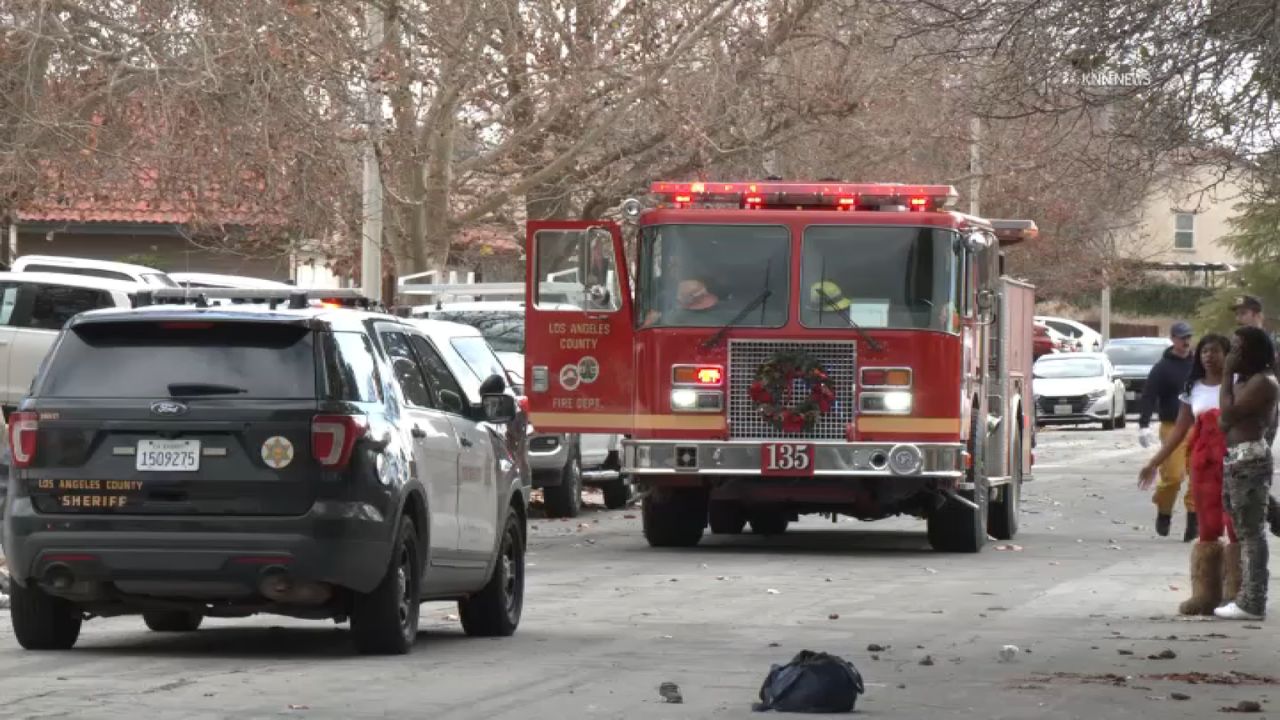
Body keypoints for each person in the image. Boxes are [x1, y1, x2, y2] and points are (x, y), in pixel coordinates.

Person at [1139, 334, 1238, 615]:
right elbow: (1180, 430)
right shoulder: (1192, 387)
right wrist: (1154, 462)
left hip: (1234, 462)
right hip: (1202, 465)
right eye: (1204, 351)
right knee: (1207, 527)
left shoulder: (1238, 384)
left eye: (1215, 351)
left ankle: (1237, 594)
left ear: (1227, 354)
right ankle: (1205, 595)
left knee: (1235, 525)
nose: (1209, 356)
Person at [1215, 326, 1280, 621]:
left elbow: (1227, 415)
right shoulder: (1247, 381)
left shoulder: (1263, 382)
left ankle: (1253, 602)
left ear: (1251, 351)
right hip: (1238, 460)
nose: (1231, 354)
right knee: (1243, 521)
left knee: (1251, 532)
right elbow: (1224, 420)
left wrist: (1226, 374)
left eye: (1237, 348)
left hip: (1250, 460)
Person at [1138, 321, 1197, 540]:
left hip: (1198, 426)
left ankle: (1193, 519)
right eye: (1182, 338)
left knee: (1199, 476)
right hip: (1172, 426)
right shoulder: (1162, 368)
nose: (1186, 341)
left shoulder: (1199, 365)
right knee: (1173, 476)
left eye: (1188, 337)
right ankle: (1164, 511)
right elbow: (1149, 396)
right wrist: (1144, 425)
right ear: (1173, 339)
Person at [1231, 294, 1280, 538]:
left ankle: (1269, 514)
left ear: (1257, 315)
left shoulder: (1270, 345)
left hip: (1261, 412)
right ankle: (1270, 512)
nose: (1239, 318)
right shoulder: (1239, 343)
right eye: (1237, 314)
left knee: (1250, 466)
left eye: (1243, 313)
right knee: (1239, 468)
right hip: (1241, 409)